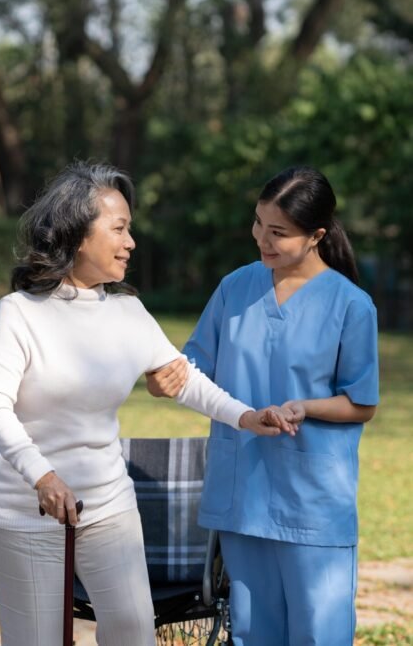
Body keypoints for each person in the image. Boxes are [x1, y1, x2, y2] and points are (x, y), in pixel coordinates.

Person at [0, 161, 297, 646]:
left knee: (132, 631)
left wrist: (247, 416)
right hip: (25, 507)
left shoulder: (127, 311)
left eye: (131, 229)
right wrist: (42, 476)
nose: (131, 242)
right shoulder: (19, 313)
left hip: (107, 502)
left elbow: (185, 381)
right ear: (77, 234)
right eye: (119, 228)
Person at [146, 166, 379, 646]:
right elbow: (193, 369)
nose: (262, 240)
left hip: (314, 501)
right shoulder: (236, 288)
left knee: (321, 634)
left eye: (279, 233)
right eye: (258, 224)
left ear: (316, 235)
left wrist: (306, 407)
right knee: (252, 633)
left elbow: (361, 403)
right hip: (243, 493)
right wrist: (165, 377)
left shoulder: (352, 306)